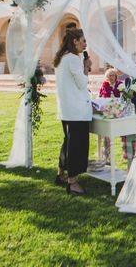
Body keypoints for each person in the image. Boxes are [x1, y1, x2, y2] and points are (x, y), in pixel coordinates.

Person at [54, 29, 92, 195]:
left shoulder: (62, 58)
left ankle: (61, 174)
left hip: (67, 109)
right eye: (83, 41)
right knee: (77, 146)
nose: (85, 44)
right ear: (75, 41)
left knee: (68, 143)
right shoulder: (73, 59)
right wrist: (86, 67)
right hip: (76, 110)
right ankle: (73, 182)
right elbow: (82, 84)